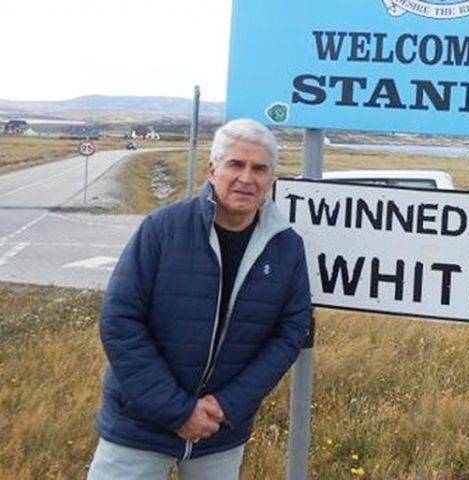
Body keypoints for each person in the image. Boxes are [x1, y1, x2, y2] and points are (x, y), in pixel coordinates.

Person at [87, 118, 311, 479]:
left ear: (270, 180)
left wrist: (226, 406)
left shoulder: (286, 247)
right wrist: (178, 411)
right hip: (139, 427)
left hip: (220, 432)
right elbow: (120, 321)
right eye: (235, 164)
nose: (247, 178)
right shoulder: (163, 229)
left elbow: (289, 333)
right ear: (212, 169)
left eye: (259, 168)